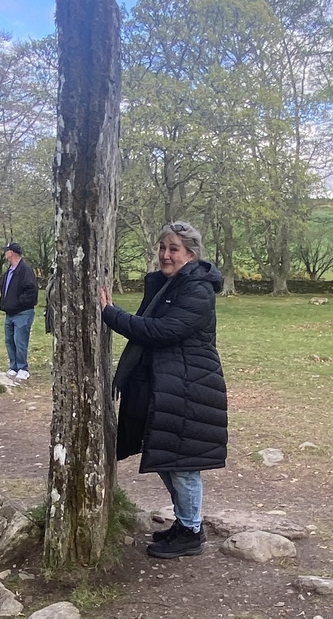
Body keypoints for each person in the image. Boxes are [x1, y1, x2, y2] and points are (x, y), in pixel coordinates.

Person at [100, 221, 227, 560]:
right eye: (163, 248)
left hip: (190, 387)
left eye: (174, 249)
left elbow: (160, 331)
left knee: (182, 464)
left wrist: (111, 315)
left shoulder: (196, 290)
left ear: (191, 255)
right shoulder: (168, 284)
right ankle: (186, 523)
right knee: (167, 458)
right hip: (170, 385)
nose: (166, 255)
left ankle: (191, 532)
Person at [0, 242, 38, 382]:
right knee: (10, 340)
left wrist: (16, 303)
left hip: (23, 312)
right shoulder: (9, 270)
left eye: (7, 250)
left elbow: (31, 291)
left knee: (20, 340)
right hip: (10, 313)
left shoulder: (25, 270)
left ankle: (23, 369)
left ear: (13, 253)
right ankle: (14, 367)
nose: (5, 253)